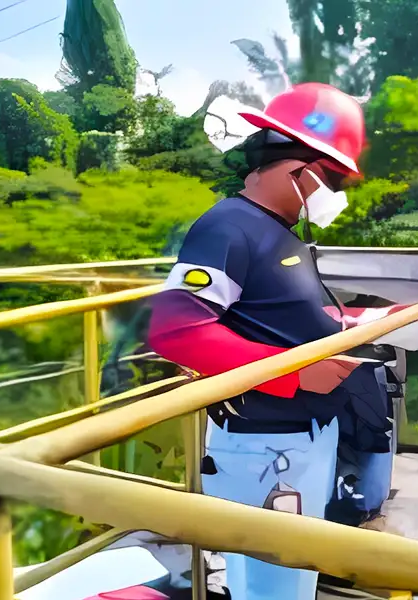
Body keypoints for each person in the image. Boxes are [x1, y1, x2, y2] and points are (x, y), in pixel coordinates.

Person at [147, 82, 400, 600]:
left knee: (293, 575)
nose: (337, 193)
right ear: (297, 168)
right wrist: (294, 372)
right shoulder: (228, 228)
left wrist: (350, 321)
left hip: (305, 435)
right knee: (273, 585)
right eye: (332, 178)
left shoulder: (282, 232)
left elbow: (274, 312)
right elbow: (174, 327)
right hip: (266, 446)